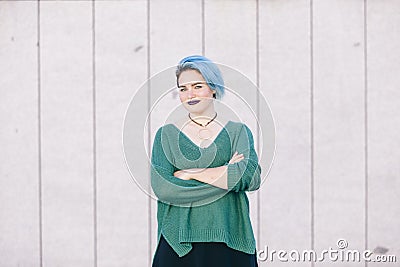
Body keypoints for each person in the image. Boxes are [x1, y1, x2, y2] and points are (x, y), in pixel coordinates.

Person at [150, 55, 261, 267]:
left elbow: (250, 177)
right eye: (183, 89)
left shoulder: (237, 132)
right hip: (179, 242)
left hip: (230, 238)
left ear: (213, 88)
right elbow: (165, 189)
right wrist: (227, 175)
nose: (189, 94)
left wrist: (191, 173)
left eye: (197, 86)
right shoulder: (166, 136)